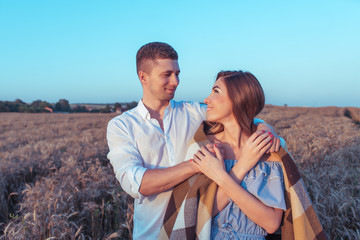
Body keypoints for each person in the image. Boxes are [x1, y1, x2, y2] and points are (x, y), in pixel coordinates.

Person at [106, 43, 281, 239]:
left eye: (177, 73)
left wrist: (264, 127)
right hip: (151, 234)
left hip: (194, 230)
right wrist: (197, 165)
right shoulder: (121, 126)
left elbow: (236, 113)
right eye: (167, 74)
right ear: (143, 77)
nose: (176, 81)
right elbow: (137, 183)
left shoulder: (193, 112)